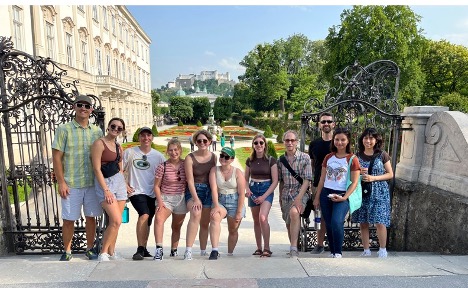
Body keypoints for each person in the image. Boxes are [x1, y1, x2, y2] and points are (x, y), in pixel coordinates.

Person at [52, 94, 103, 261]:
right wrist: (61, 182)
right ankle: (67, 251)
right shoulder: (64, 129)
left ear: (91, 110)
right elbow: (57, 157)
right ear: (74, 107)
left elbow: (103, 155)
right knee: (68, 219)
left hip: (91, 183)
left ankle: (89, 248)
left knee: (91, 217)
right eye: (80, 105)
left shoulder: (97, 131)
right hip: (71, 183)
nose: (83, 108)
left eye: (87, 106)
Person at [313, 127, 360, 258]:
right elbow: (322, 179)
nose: (339, 142)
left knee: (336, 221)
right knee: (328, 223)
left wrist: (345, 197)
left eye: (343, 140)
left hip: (342, 194)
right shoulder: (328, 157)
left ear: (348, 141)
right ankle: (332, 251)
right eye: (337, 139)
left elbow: (354, 182)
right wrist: (317, 198)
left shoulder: (352, 159)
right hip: (326, 192)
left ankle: (338, 252)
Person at [123, 127, 165, 260]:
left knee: (148, 220)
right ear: (138, 137)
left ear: (152, 138)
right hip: (136, 191)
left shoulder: (158, 156)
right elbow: (119, 169)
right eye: (143, 136)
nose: (146, 138)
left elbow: (165, 174)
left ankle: (144, 248)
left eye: (148, 135)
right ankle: (139, 249)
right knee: (144, 214)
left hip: (152, 192)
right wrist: (125, 185)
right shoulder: (130, 152)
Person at [352, 128, 393, 258]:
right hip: (363, 191)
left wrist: (373, 178)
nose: (368, 141)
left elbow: (390, 174)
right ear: (362, 139)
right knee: (363, 221)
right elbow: (351, 175)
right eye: (365, 138)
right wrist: (360, 173)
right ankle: (366, 250)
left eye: (371, 138)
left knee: (380, 221)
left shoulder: (382, 155)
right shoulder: (357, 156)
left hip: (380, 192)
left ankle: (382, 249)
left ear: (376, 140)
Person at [91, 117, 127, 261]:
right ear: (108, 126)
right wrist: (105, 189)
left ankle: (112, 251)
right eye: (113, 126)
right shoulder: (99, 144)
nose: (116, 129)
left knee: (116, 222)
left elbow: (120, 168)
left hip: (118, 182)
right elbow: (96, 168)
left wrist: (124, 184)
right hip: (105, 183)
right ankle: (103, 253)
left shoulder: (119, 146)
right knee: (116, 220)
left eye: (119, 128)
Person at [277, 130, 312, 258]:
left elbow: (307, 180)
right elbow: (281, 181)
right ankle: (294, 245)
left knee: (294, 213)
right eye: (287, 140)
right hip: (286, 194)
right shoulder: (280, 160)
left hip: (301, 192)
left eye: (292, 140)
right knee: (288, 222)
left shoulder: (305, 157)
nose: (290, 143)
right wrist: (280, 197)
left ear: (297, 142)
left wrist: (299, 198)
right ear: (284, 142)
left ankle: (293, 248)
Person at [184, 129, 217, 260]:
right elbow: (190, 180)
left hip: (208, 190)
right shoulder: (190, 158)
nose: (202, 142)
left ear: (209, 142)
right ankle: (188, 250)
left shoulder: (213, 157)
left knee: (205, 222)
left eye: (205, 140)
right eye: (199, 141)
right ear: (195, 142)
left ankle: (203, 250)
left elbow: (214, 176)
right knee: (195, 214)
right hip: (194, 190)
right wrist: (196, 199)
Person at [208, 147, 246, 260]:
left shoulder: (237, 172)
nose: (223, 158)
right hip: (220, 200)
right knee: (215, 217)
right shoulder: (214, 170)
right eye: (222, 155)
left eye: (227, 157)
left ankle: (230, 253)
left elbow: (241, 193)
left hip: (235, 200)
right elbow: (214, 189)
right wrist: (215, 205)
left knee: (233, 229)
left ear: (232, 159)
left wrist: (239, 212)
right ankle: (214, 250)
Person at [153, 138, 188, 260]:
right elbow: (156, 186)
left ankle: (174, 249)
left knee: (176, 226)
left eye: (176, 150)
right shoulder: (162, 166)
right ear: (167, 151)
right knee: (158, 219)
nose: (174, 152)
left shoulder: (185, 165)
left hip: (181, 198)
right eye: (171, 150)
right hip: (165, 198)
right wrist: (160, 202)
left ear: (180, 150)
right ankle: (159, 249)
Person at [244, 134, 278, 257]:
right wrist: (247, 189)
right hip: (253, 190)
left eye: (261, 143)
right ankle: (259, 247)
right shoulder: (249, 160)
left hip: (266, 189)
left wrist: (264, 196)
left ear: (265, 145)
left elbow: (275, 181)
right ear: (253, 145)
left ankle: (267, 247)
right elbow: (245, 178)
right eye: (256, 143)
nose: (258, 145)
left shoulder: (271, 160)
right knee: (256, 220)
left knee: (263, 217)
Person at [308, 112, 335, 254]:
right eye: (323, 122)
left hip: (336, 185)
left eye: (329, 121)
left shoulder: (338, 143)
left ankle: (334, 243)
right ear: (319, 125)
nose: (326, 124)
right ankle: (320, 244)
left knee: (335, 216)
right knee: (320, 216)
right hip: (318, 184)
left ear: (333, 124)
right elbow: (312, 165)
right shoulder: (314, 144)